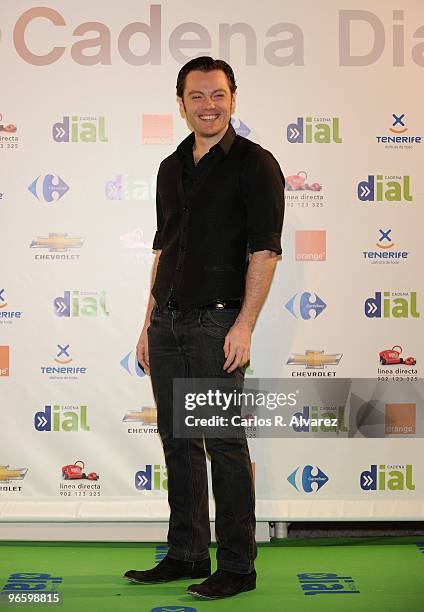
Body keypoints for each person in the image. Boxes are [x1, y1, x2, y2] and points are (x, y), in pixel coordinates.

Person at [124, 56, 284, 600]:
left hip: (218, 324)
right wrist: (148, 322)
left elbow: (265, 250)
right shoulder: (171, 168)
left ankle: (238, 566)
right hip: (167, 323)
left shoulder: (255, 165)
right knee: (178, 444)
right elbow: (163, 249)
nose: (208, 105)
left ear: (233, 97)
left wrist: (243, 325)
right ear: (181, 102)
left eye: (217, 94)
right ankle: (187, 552)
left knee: (222, 444)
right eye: (197, 96)